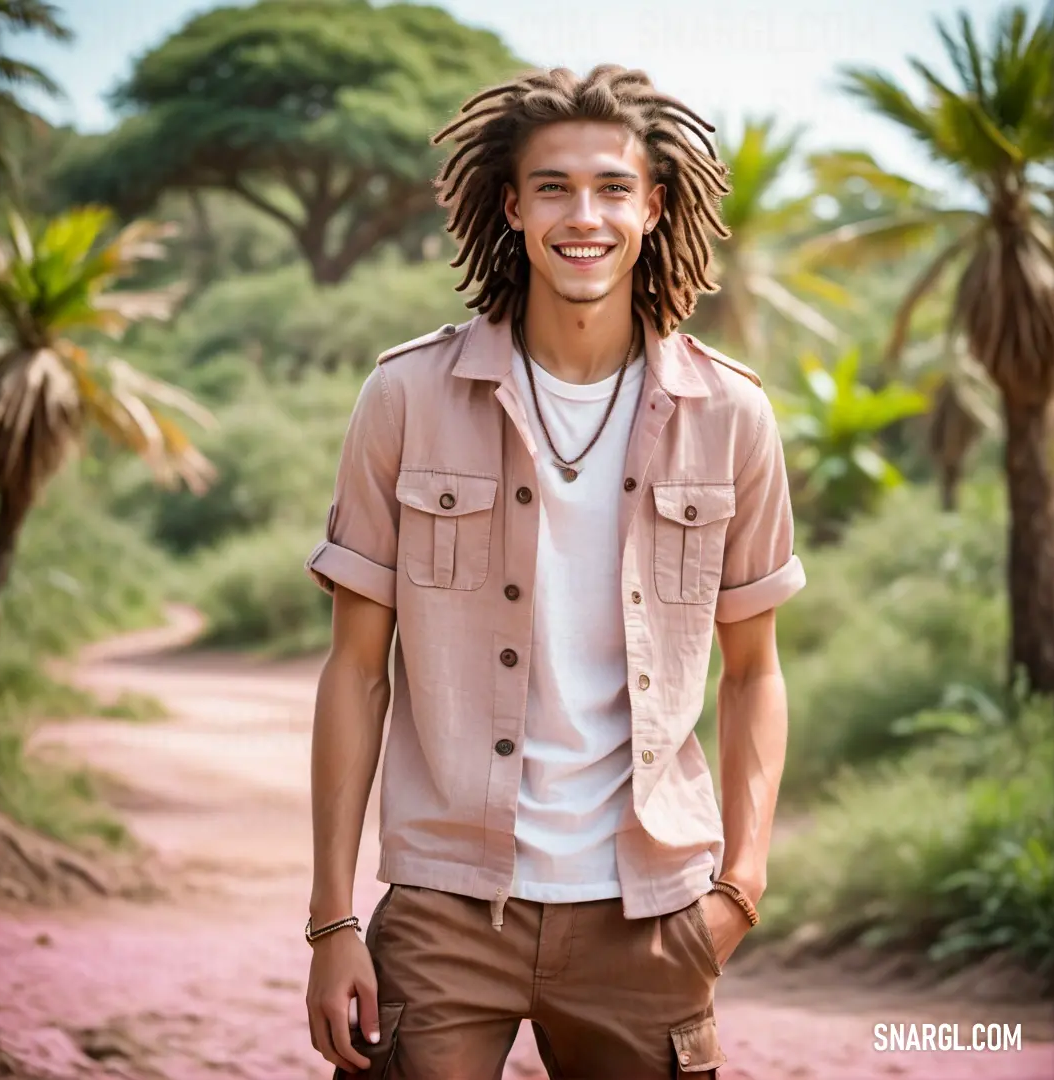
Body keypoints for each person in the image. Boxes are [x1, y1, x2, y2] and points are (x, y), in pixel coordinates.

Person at [302, 64, 805, 1080]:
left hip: (649, 914)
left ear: (655, 207)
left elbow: (754, 671)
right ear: (512, 205)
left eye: (614, 187)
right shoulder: (406, 397)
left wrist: (739, 890)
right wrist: (331, 924)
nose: (587, 215)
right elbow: (357, 669)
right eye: (555, 187)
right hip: (446, 909)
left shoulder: (733, 416)